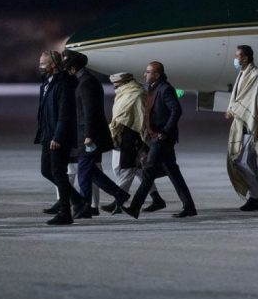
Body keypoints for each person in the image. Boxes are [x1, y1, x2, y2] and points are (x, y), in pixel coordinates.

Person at [122, 61, 197, 218]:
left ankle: (135, 207)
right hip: (155, 137)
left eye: (148, 72)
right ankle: (189, 206)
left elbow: (176, 110)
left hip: (161, 138)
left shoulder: (165, 89)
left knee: (148, 172)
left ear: (156, 74)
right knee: (173, 173)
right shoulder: (153, 87)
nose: (145, 74)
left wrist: (165, 131)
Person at [61, 49, 130, 219]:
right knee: (90, 171)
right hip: (86, 134)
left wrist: (89, 136)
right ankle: (120, 194)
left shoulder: (86, 83)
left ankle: (85, 207)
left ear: (73, 67)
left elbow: (90, 111)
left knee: (84, 173)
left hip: (89, 136)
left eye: (67, 67)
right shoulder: (85, 81)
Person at [103, 72, 166, 214]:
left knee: (126, 169)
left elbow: (141, 117)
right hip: (120, 135)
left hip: (132, 137)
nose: (115, 86)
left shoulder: (136, 94)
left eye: (116, 84)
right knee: (138, 170)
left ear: (124, 82)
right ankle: (156, 199)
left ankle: (118, 201)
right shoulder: (124, 93)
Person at [225, 45, 258, 211]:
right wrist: (232, 108)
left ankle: (256, 198)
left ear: (246, 58)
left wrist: (233, 110)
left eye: (238, 56)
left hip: (251, 124)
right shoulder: (242, 74)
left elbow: (253, 100)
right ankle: (256, 198)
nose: (235, 59)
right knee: (246, 162)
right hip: (242, 124)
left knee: (242, 161)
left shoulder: (256, 75)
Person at [34, 50, 82, 225]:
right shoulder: (47, 82)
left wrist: (58, 137)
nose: (40, 66)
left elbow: (65, 114)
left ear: (53, 65)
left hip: (58, 137)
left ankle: (65, 212)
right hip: (48, 135)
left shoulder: (63, 84)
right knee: (46, 171)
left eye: (43, 63)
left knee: (58, 173)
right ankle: (78, 199)